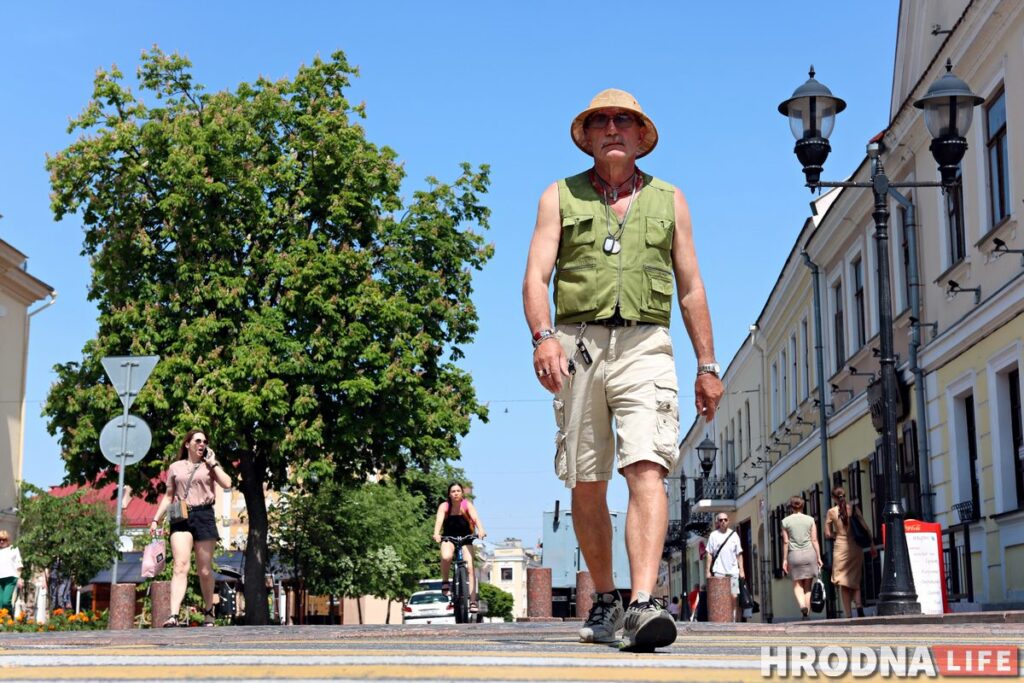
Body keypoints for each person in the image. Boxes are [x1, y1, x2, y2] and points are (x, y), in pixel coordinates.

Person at [523, 88, 723, 651]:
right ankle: (607, 599)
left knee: (647, 467)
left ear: (640, 137)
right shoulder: (558, 197)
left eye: (624, 121)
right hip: (577, 345)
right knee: (587, 479)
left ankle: (641, 604)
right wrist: (543, 338)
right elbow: (536, 276)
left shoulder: (670, 200)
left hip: (646, 344)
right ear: (587, 137)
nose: (612, 128)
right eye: (601, 121)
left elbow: (691, 289)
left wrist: (707, 363)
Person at [150, 429, 232, 627]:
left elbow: (228, 483)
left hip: (204, 515)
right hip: (180, 516)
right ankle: (173, 615)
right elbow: (169, 496)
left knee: (204, 570)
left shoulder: (209, 466)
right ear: (187, 444)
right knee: (180, 566)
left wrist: (213, 463)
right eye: (197, 441)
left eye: (204, 441)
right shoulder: (175, 467)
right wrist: (155, 519)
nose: (201, 444)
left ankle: (209, 611)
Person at [432, 482, 487, 614]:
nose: (456, 493)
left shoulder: (467, 505)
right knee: (446, 556)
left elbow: (475, 518)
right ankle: (445, 582)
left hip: (466, 537)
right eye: (453, 491)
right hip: (449, 537)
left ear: (462, 493)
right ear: (449, 494)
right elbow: (439, 520)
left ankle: (472, 601)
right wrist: (436, 533)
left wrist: (481, 530)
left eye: (458, 491)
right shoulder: (444, 506)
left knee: (470, 568)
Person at [825, 486, 876, 618]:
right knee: (855, 579)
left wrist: (836, 535)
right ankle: (859, 606)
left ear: (833, 498)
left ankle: (848, 615)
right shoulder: (853, 509)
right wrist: (872, 544)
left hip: (840, 548)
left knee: (843, 582)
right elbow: (865, 527)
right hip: (855, 547)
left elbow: (827, 534)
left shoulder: (831, 512)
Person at [781, 496, 823, 620]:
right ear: (803, 506)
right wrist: (819, 557)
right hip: (810, 554)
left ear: (791, 507)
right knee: (808, 586)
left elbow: (785, 542)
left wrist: (784, 559)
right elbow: (814, 539)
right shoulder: (810, 520)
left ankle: (802, 605)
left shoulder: (785, 521)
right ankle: (807, 614)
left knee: (797, 584)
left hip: (794, 555)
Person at [705, 513, 745, 621]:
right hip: (719, 571)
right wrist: (708, 570)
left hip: (733, 571)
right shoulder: (713, 535)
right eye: (720, 520)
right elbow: (709, 553)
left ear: (728, 521)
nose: (723, 522)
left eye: (725, 520)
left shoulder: (734, 535)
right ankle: (723, 618)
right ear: (717, 522)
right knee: (721, 596)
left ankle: (733, 617)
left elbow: (739, 554)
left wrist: (741, 570)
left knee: (734, 595)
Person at [0, 530, 24, 614]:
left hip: (11, 579)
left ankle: (10, 618)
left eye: (4, 539)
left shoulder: (13, 548)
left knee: (6, 602)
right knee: (0, 603)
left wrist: (19, 578)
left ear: (8, 540)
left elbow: (19, 565)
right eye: (0, 540)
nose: (1, 541)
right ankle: (3, 622)